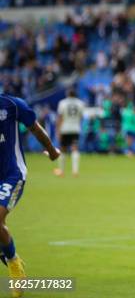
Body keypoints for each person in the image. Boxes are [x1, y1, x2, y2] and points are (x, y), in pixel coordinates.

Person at [0, 94, 61, 297]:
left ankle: (13, 264)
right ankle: (11, 257)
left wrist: (52, 151)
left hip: (12, 173)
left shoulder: (12, 105)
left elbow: (35, 128)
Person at [55, 88, 85, 177]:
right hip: (75, 128)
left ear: (68, 94)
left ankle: (61, 171)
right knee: (75, 149)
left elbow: (60, 118)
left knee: (63, 149)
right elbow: (81, 117)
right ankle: (75, 171)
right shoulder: (80, 103)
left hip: (65, 128)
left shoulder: (62, 103)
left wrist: (58, 130)